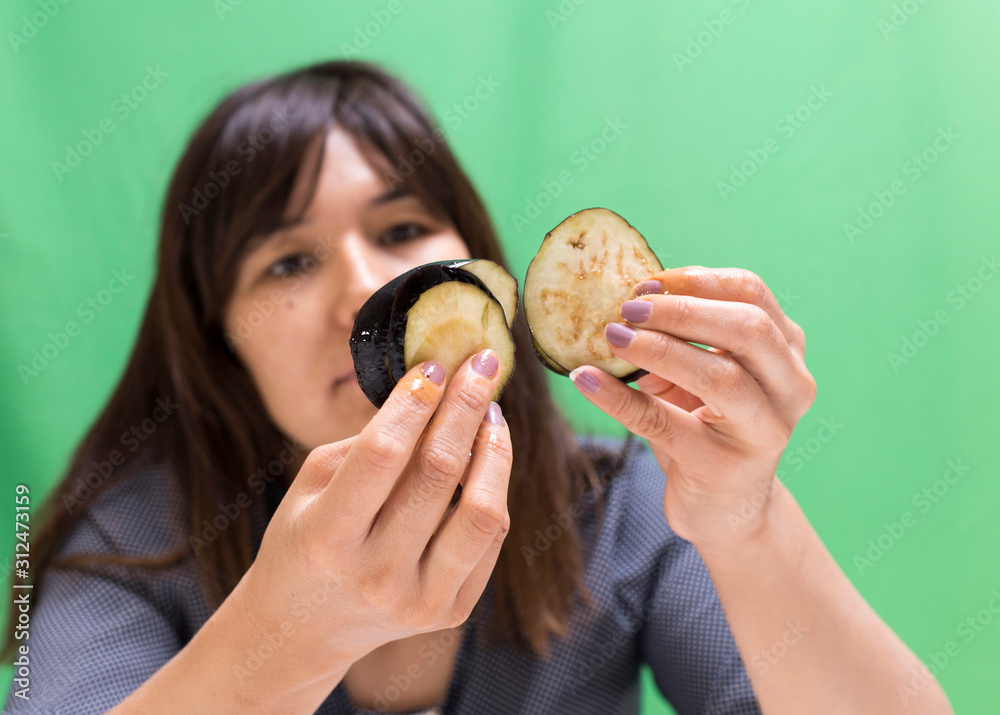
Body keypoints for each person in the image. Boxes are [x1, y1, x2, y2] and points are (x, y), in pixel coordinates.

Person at [3, 60, 951, 715]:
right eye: (287, 261)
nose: (363, 290)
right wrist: (282, 636)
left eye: (405, 228)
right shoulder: (132, 546)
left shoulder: (620, 509)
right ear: (218, 346)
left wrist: (749, 520)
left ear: (486, 271)